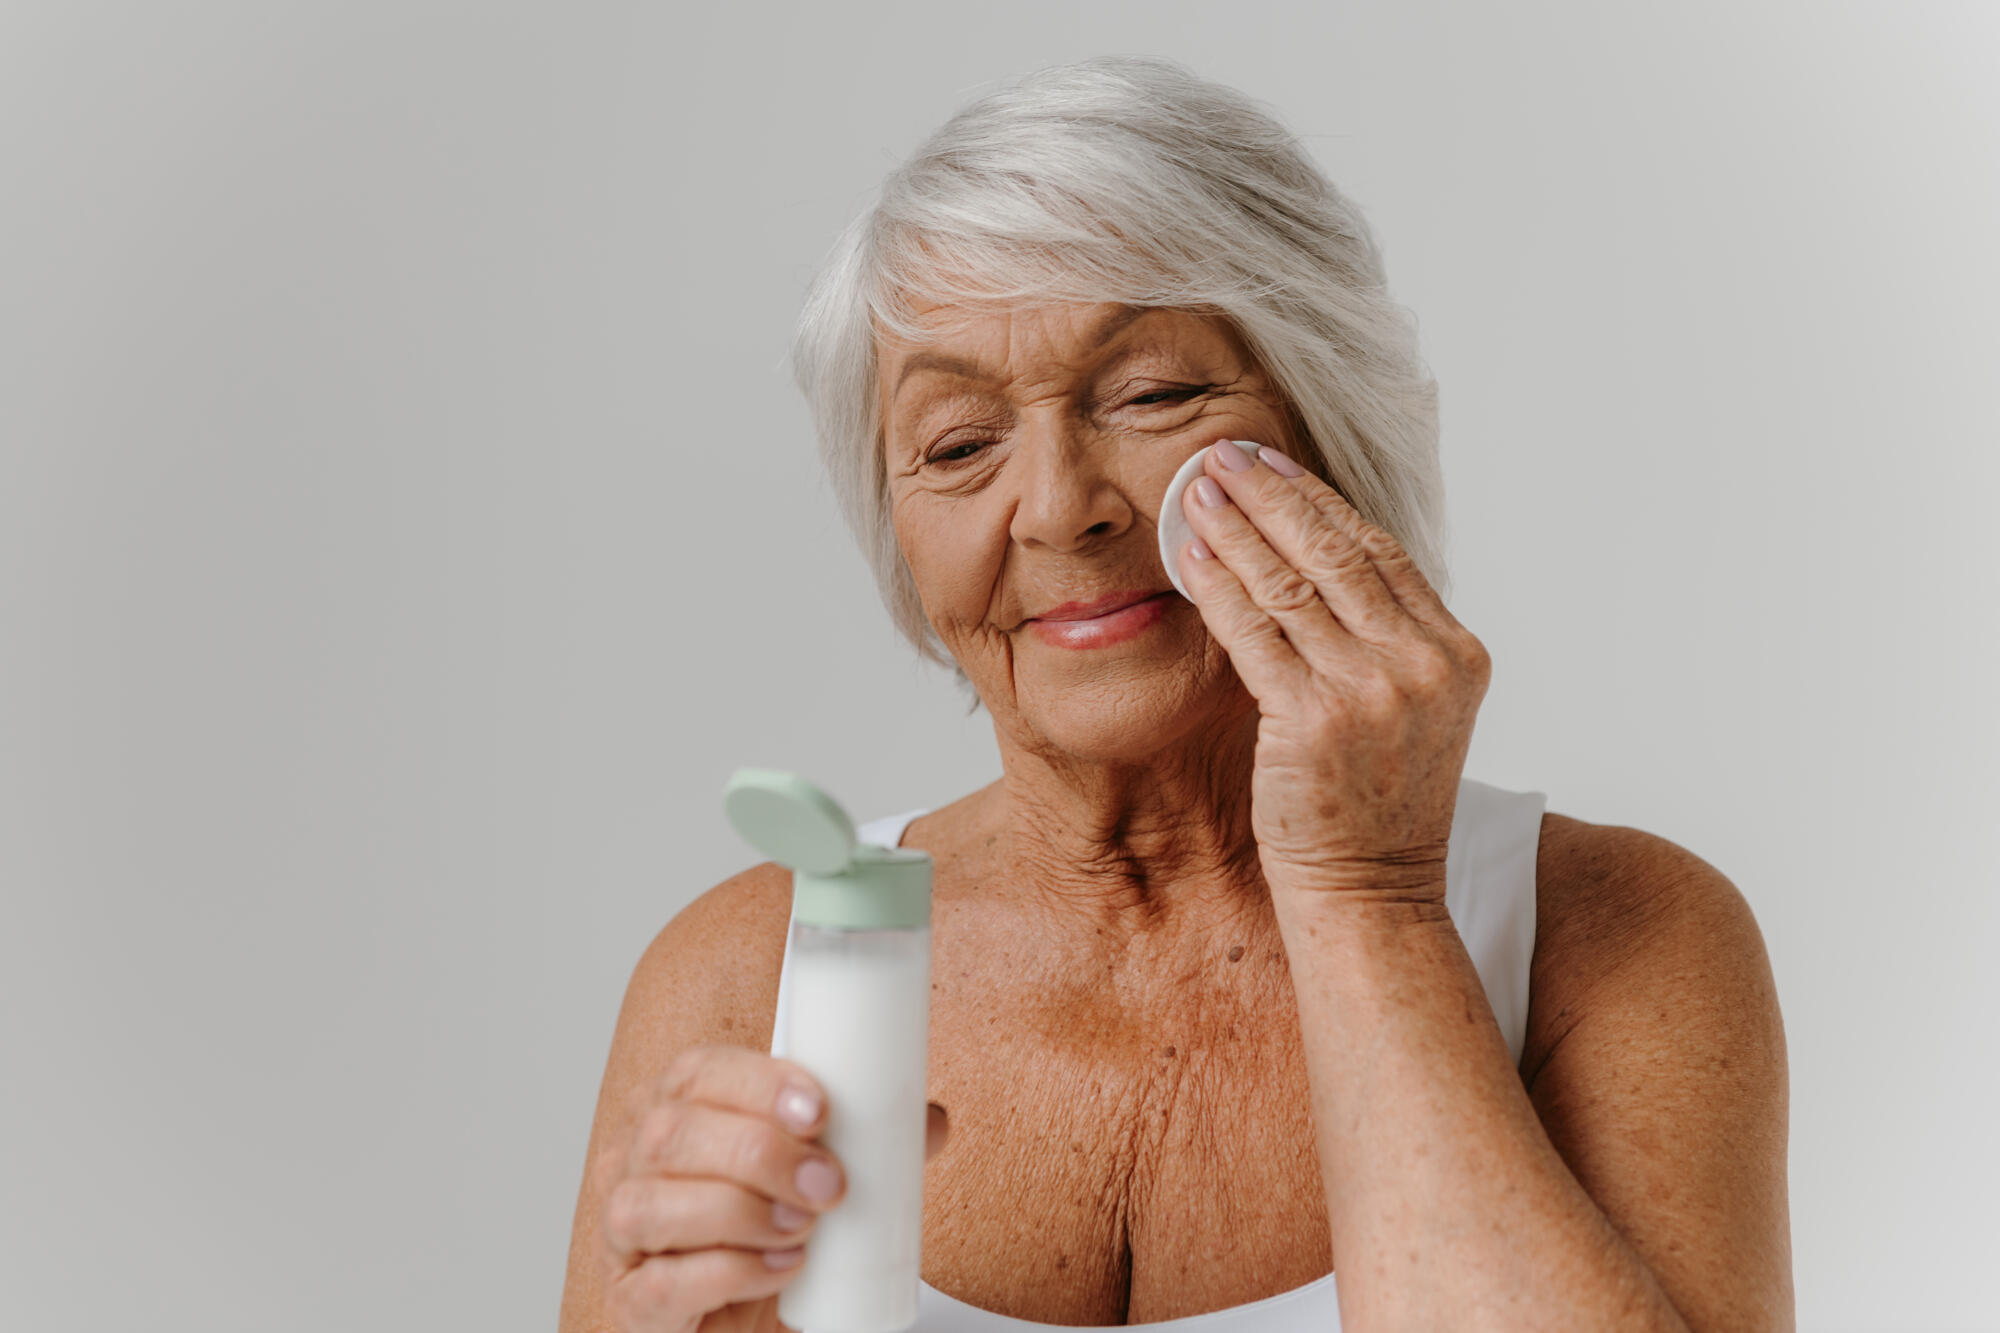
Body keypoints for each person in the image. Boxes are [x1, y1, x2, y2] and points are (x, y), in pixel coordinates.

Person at [558, 54, 1792, 1333]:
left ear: (1333, 431)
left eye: (1150, 395)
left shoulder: (1618, 938)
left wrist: (1364, 894)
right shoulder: (739, 975)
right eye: (958, 444)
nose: (1056, 507)